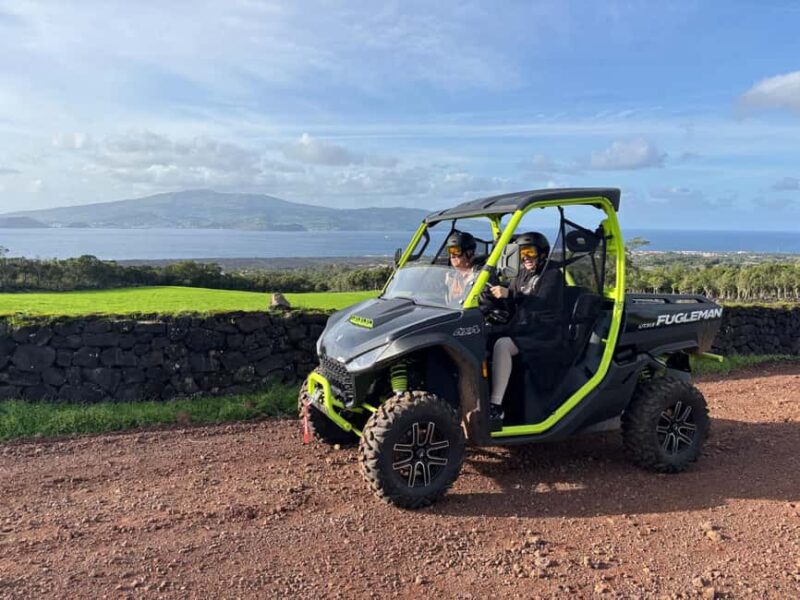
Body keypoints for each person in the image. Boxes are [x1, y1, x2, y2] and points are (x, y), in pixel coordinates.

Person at [487, 231, 558, 421]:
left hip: (542, 332)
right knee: (484, 335)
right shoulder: (522, 274)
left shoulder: (551, 274)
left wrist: (509, 295)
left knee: (503, 345)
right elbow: (512, 302)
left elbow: (540, 302)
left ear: (543, 253)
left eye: (530, 252)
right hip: (523, 327)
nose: (526, 257)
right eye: (522, 253)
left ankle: (495, 406)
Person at [444, 231, 480, 304]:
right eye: (450, 251)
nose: (452, 255)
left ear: (469, 253)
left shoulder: (480, 275)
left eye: (456, 251)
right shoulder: (449, 275)